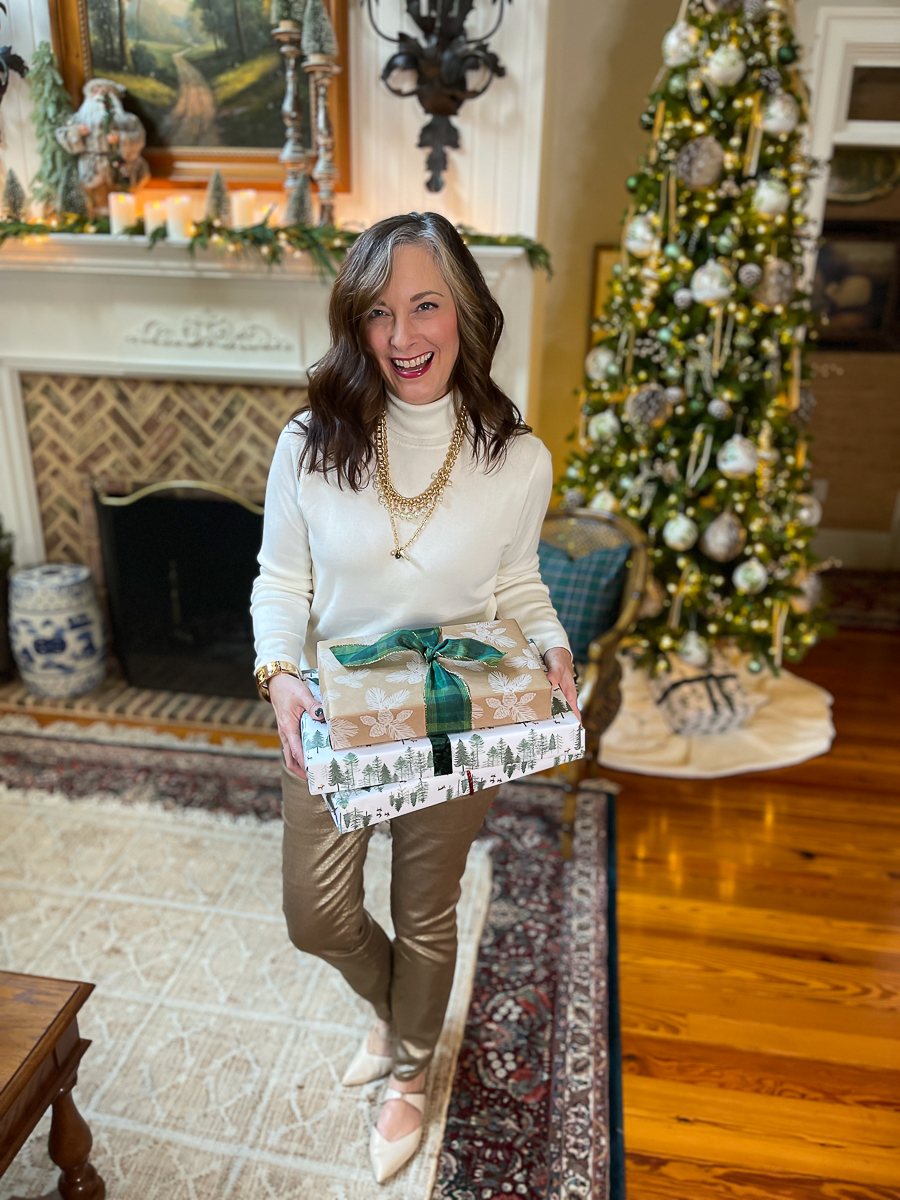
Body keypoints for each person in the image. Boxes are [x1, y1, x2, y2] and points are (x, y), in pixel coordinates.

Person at [251, 211, 576, 1182]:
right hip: (339, 715)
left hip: (457, 715)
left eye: (425, 304)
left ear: (465, 311)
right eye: (380, 313)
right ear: (355, 325)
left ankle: (409, 1064)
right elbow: (282, 581)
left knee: (426, 910)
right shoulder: (310, 443)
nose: (403, 336)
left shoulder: (515, 458)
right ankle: (395, 1011)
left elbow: (517, 582)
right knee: (315, 914)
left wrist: (551, 647)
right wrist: (278, 678)